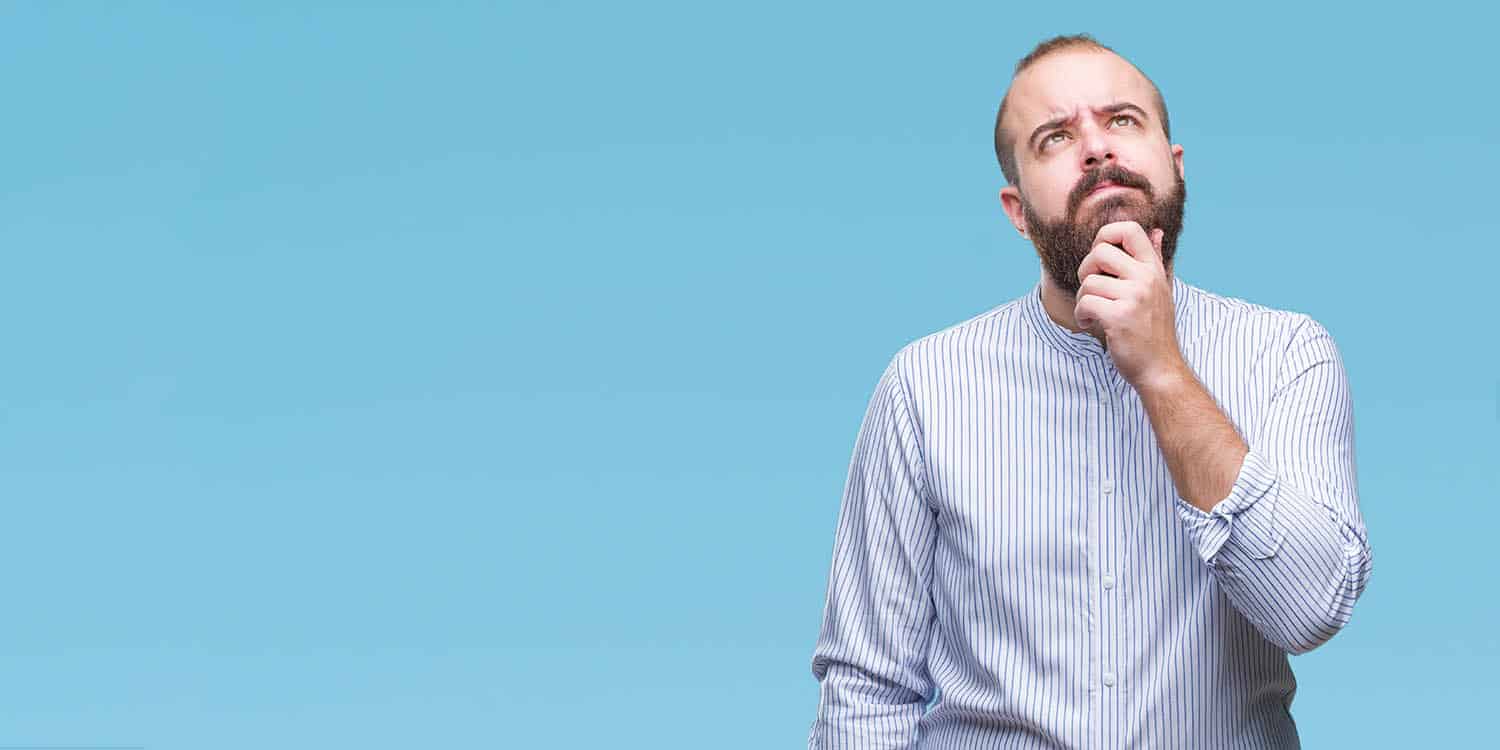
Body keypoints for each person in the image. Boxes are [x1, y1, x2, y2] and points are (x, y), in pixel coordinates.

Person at [806, 34, 1374, 749]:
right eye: (1054, 138)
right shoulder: (924, 388)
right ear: (1016, 210)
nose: (1098, 149)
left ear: (1174, 165)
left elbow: (1308, 609)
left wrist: (1162, 367)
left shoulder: (1288, 355)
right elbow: (867, 689)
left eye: (1123, 121)